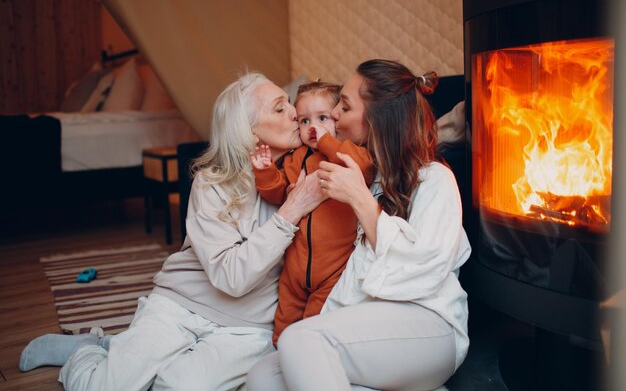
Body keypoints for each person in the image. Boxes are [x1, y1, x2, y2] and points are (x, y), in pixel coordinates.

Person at [19, 73, 326, 391]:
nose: (294, 112)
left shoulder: (310, 174)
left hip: (247, 327)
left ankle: (121, 348)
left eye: (290, 103)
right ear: (248, 130)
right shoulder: (212, 184)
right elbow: (231, 278)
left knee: (172, 386)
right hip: (182, 303)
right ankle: (87, 351)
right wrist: (291, 211)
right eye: (279, 108)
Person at [247, 59, 472, 391]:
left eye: (345, 106)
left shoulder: (434, 179)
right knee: (264, 376)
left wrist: (361, 200)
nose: (334, 114)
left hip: (427, 324)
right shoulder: (367, 175)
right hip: (367, 327)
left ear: (378, 119)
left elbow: (421, 270)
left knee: (300, 342)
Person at [250, 81, 374, 345]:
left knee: (314, 328)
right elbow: (279, 194)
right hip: (294, 269)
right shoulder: (296, 159)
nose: (312, 127)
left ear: (337, 120)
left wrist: (327, 141)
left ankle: (307, 359)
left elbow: (363, 167)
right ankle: (280, 361)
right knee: (284, 324)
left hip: (333, 269)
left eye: (322, 118)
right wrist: (265, 172)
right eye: (304, 121)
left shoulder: (345, 152)